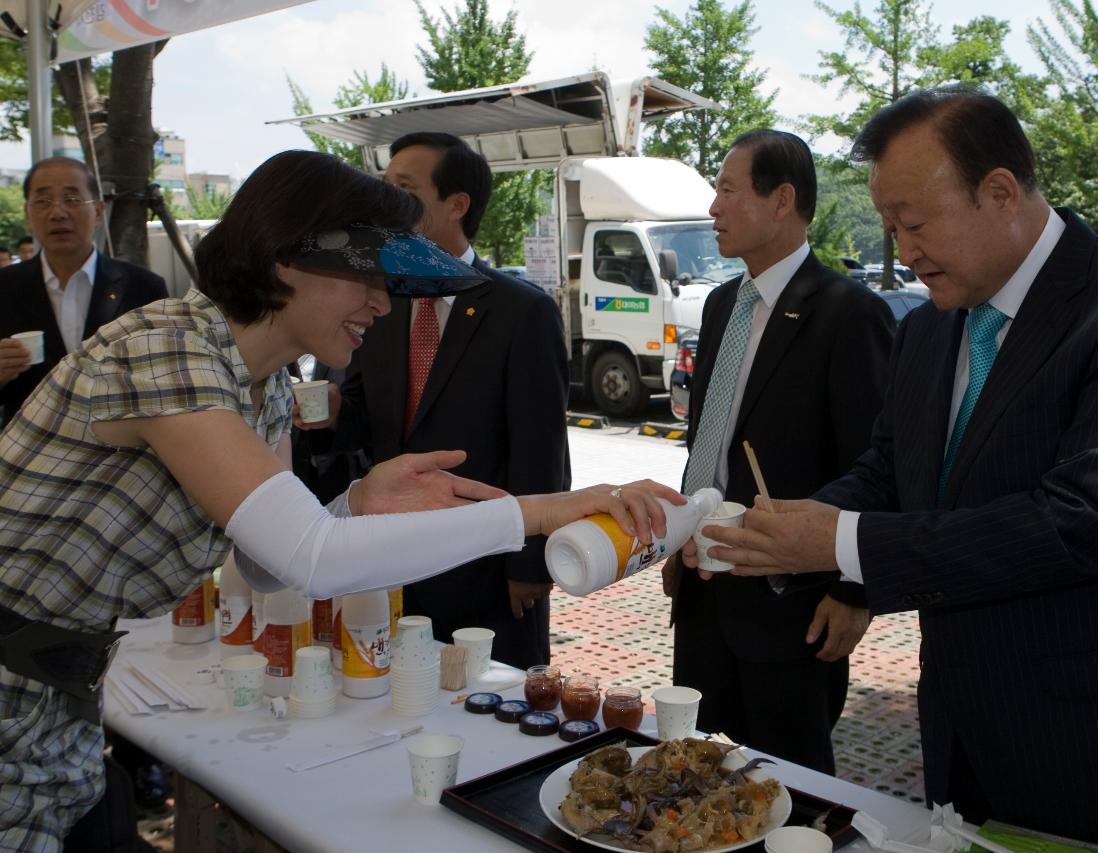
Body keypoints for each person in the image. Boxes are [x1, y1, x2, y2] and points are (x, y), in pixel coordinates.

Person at [0, 149, 679, 849]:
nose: (383, 303)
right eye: (367, 276)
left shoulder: (258, 390)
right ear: (285, 259)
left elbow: (272, 568)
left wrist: (357, 500)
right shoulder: (169, 350)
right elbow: (314, 559)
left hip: (56, 702)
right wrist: (535, 513)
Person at [702, 88, 1098, 849]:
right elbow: (887, 474)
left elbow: (1076, 523)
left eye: (914, 223)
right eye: (890, 226)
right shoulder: (927, 329)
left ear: (1000, 191)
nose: (902, 248)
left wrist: (841, 543)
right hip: (966, 741)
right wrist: (769, 531)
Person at [662, 130, 894, 773]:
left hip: (793, 610)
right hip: (705, 590)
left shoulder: (849, 313)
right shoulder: (719, 305)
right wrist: (681, 531)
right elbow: (708, 435)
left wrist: (855, 591)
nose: (713, 208)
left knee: (787, 785)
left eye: (728, 191)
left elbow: (875, 466)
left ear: (782, 199)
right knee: (698, 772)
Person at [310, 131, 570, 670]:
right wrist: (335, 412)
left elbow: (540, 448)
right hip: (388, 561)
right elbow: (367, 417)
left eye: (403, 189)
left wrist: (529, 564)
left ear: (456, 205)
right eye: (383, 187)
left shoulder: (521, 310)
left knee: (490, 710)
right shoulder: (379, 302)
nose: (385, 203)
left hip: (480, 564)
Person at [0, 157, 167, 425]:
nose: (58, 213)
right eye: (43, 202)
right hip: (27, 455)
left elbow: (164, 382)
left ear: (99, 211)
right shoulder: (4, 288)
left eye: (72, 199)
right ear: (27, 215)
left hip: (119, 456)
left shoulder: (144, 288)